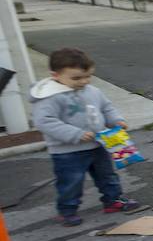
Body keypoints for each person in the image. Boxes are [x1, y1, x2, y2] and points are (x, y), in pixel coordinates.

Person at [31, 48, 142, 226]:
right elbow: (45, 122)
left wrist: (116, 121)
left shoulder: (92, 91)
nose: (84, 81)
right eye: (76, 78)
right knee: (71, 182)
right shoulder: (49, 97)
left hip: (97, 144)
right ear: (55, 75)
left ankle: (113, 200)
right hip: (67, 151)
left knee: (107, 175)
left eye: (88, 76)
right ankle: (67, 210)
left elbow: (106, 107)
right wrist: (76, 134)